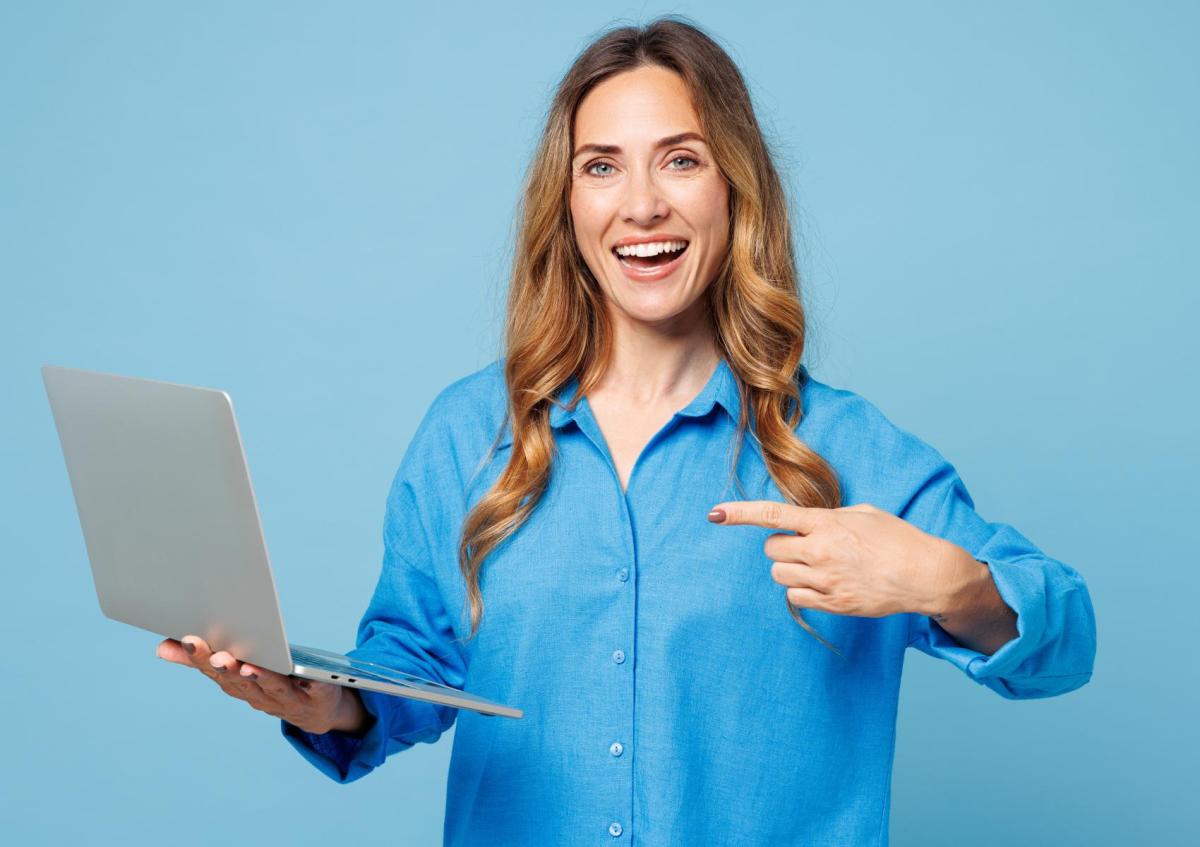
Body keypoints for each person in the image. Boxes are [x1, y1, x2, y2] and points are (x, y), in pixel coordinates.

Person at [156, 16, 1097, 846]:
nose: (641, 203)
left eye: (681, 159)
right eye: (601, 166)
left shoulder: (843, 449)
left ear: (735, 188)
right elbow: (415, 665)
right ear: (568, 204)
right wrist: (330, 702)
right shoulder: (467, 432)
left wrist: (949, 584)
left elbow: (1066, 642)